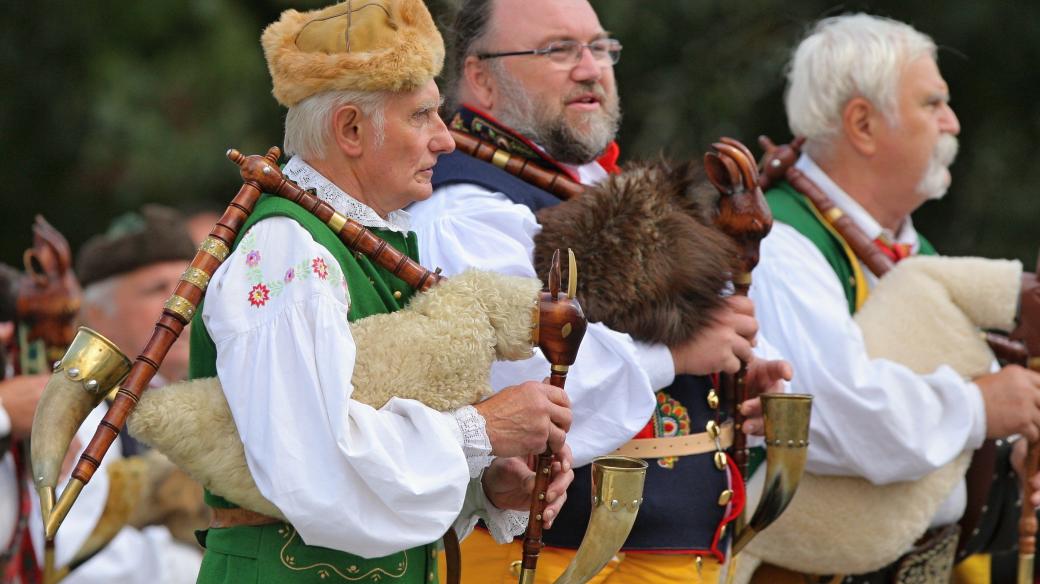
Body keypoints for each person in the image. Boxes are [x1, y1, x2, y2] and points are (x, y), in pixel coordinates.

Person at [189, 1, 575, 582]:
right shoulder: (288, 250)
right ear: (350, 129)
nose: (446, 141)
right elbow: (310, 467)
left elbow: (356, 470)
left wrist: (486, 487)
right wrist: (479, 430)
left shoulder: (355, 244)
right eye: (422, 116)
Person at [409, 1, 790, 581]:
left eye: (600, 47)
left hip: (653, 556)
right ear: (481, 76)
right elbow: (521, 386)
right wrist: (676, 356)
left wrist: (720, 375)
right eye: (559, 49)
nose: (591, 68)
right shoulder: (463, 207)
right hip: (545, 560)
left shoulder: (590, 183)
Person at [748, 13, 1040, 583]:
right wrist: (980, 407)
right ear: (862, 123)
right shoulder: (779, 246)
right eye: (933, 104)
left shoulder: (914, 251)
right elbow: (828, 418)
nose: (952, 123)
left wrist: (1009, 450)